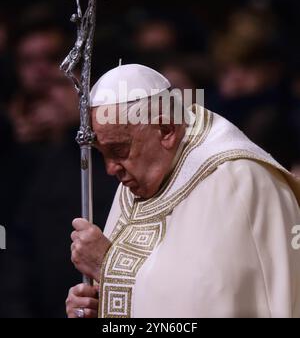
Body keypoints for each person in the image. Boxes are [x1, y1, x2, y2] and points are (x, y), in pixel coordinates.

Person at [66, 64, 300, 318]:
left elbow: (216, 304)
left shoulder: (237, 179)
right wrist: (98, 306)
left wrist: (107, 267)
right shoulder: (141, 175)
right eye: (103, 154)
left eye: (119, 151)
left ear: (166, 129)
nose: (110, 169)